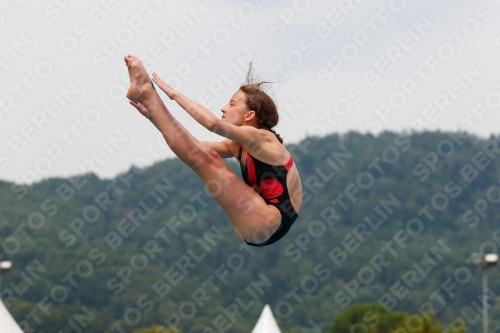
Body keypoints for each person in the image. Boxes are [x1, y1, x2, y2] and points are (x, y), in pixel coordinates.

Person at [124, 54, 302, 246]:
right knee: (199, 153)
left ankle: (147, 93)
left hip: (269, 221)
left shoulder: (264, 139)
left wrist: (172, 93)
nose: (224, 108)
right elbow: (192, 147)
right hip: (256, 222)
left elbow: (213, 125)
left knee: (206, 158)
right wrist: (155, 118)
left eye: (232, 104)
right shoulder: (237, 146)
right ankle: (149, 98)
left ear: (250, 115)